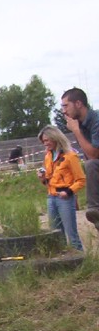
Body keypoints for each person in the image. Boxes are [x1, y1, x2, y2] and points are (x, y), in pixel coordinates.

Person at [37, 125, 85, 251]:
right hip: (51, 196)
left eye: (47, 140)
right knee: (56, 233)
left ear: (55, 138)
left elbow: (81, 180)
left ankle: (79, 258)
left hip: (65, 198)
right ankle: (63, 258)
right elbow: (50, 177)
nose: (45, 144)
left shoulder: (70, 156)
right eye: (43, 141)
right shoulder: (48, 156)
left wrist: (69, 192)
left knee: (71, 233)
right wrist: (43, 178)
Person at [61, 88, 99, 231]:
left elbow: (94, 155)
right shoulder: (81, 125)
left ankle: (95, 208)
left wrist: (76, 131)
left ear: (78, 103)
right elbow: (88, 154)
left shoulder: (96, 120)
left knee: (91, 164)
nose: (64, 111)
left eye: (66, 106)